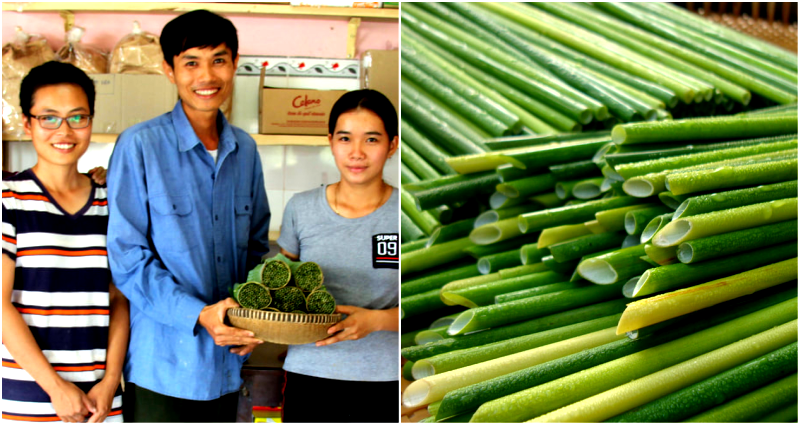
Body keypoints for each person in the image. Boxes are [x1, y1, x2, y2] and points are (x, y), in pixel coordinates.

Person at [105, 10, 271, 423]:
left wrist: (252, 320)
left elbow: (256, 248)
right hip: (162, 367)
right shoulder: (139, 146)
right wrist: (198, 314)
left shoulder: (245, 151)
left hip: (228, 365)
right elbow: (127, 259)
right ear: (169, 70)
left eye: (218, 60)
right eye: (191, 62)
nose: (207, 75)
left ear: (234, 64)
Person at [2, 61, 129, 423]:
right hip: (28, 397)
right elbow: (0, 306)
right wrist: (55, 387)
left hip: (99, 400)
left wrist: (109, 382)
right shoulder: (8, 200)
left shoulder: (111, 201)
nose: (65, 130)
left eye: (78, 117)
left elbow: (120, 298)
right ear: (27, 124)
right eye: (49, 118)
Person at [278, 89, 399, 423]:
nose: (356, 153)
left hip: (384, 380)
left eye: (371, 140)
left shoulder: (408, 214)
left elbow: (428, 308)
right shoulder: (301, 208)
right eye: (345, 138)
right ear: (330, 141)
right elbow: (282, 288)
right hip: (309, 375)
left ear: (392, 144)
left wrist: (375, 320)